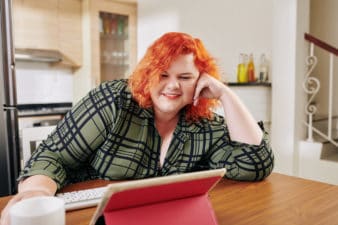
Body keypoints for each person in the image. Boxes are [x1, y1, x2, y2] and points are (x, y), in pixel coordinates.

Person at [0, 32, 274, 224]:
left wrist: (226, 95)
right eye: (163, 74)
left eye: (185, 77)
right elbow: (52, 155)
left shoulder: (203, 124)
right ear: (148, 75)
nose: (172, 85)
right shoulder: (113, 102)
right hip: (89, 218)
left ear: (201, 82)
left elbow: (255, 164)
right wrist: (34, 193)